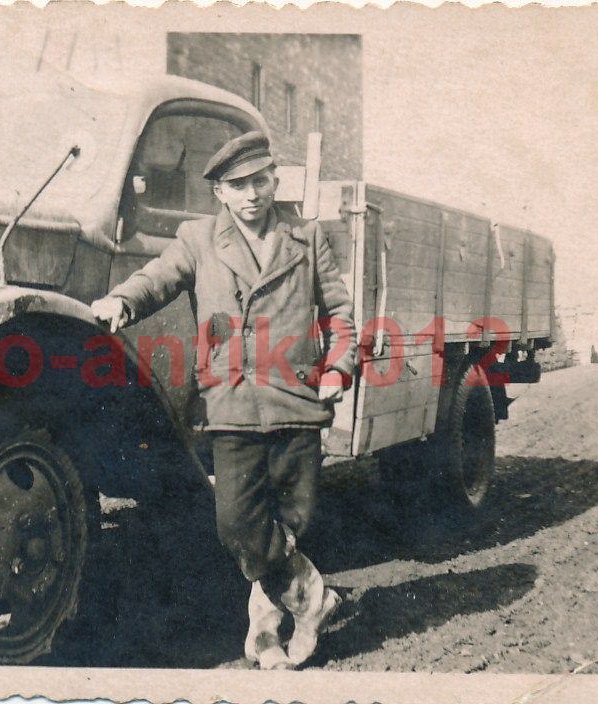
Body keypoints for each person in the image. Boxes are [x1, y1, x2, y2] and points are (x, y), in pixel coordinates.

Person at [91, 131, 356, 669]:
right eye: (239, 185)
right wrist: (122, 300)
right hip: (230, 403)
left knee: (292, 518)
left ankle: (264, 634)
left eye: (261, 180)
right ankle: (313, 597)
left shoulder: (307, 240)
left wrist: (340, 366)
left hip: (296, 400)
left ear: (274, 180)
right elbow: (157, 278)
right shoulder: (199, 239)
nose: (253, 193)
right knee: (236, 523)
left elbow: (342, 316)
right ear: (220, 193)